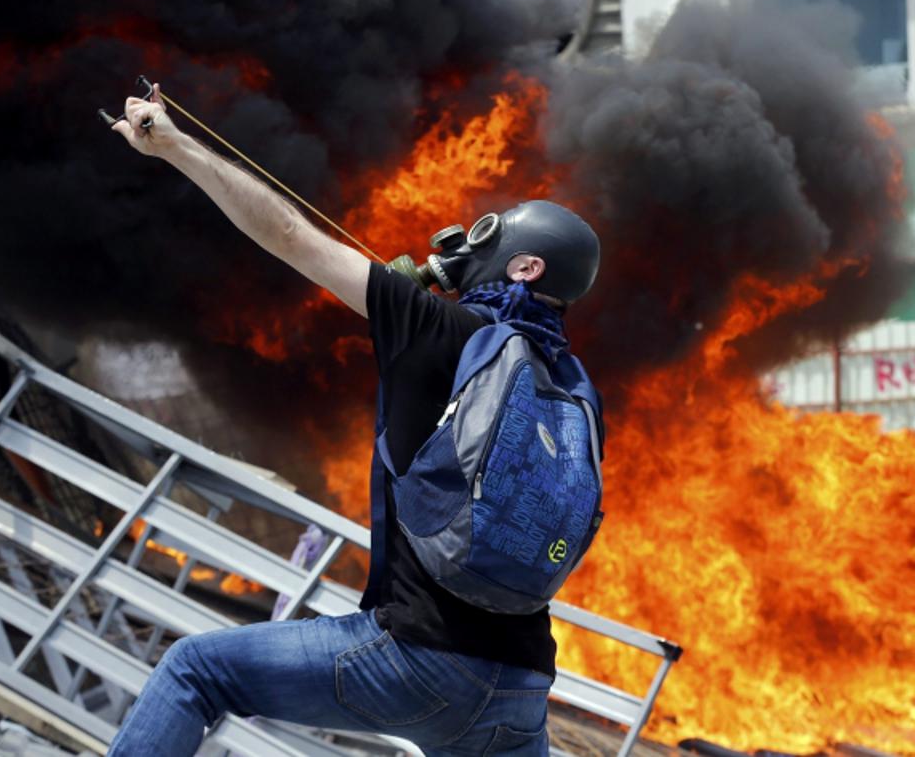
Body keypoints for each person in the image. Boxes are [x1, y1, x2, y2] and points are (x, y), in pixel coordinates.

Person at [105, 86, 601, 756]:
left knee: (196, 669)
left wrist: (171, 142)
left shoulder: (434, 324)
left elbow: (286, 233)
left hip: (415, 654)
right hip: (519, 684)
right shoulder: (574, 389)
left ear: (526, 264)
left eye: (491, 232)